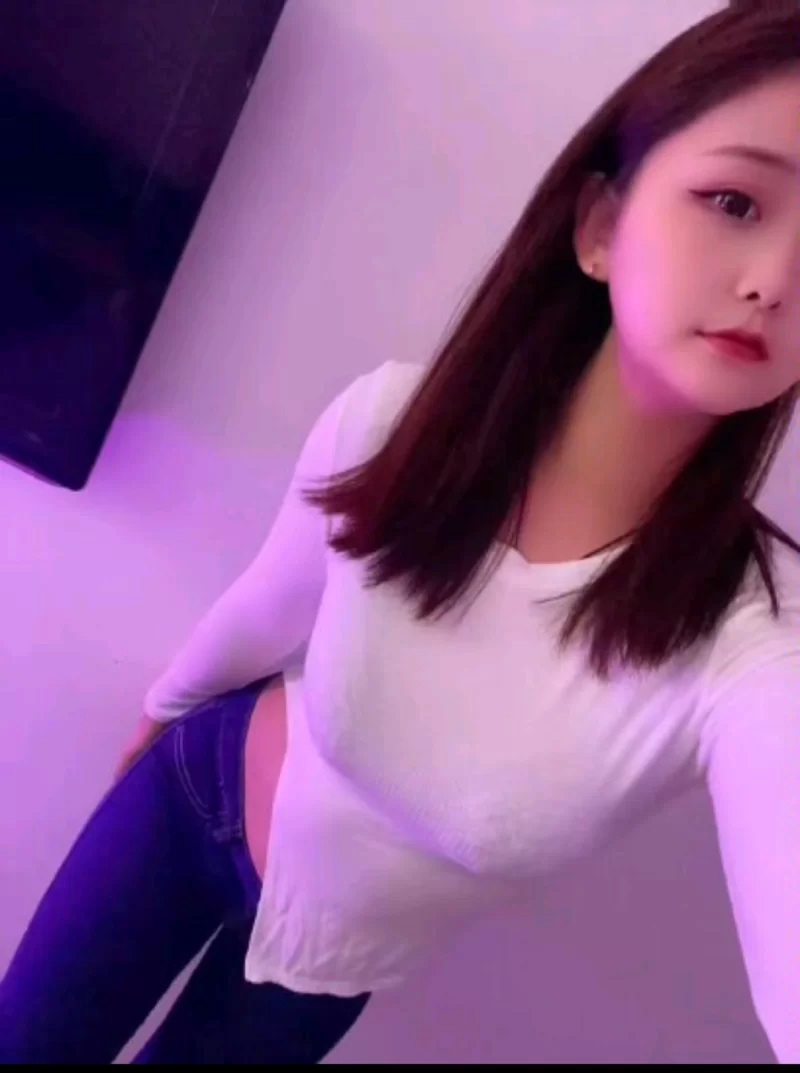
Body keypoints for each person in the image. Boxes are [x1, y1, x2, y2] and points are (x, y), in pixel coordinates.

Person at [3, 2, 800, 1064]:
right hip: (192, 803)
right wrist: (165, 705)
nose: (773, 281)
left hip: (326, 969)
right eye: (734, 201)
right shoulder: (395, 420)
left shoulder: (754, 636)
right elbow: (270, 601)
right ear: (600, 226)